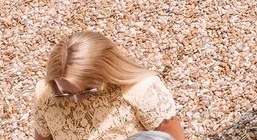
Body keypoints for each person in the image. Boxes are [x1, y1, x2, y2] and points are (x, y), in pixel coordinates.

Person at [31, 30, 188, 140]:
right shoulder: (46, 94)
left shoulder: (140, 90)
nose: (76, 100)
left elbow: (172, 138)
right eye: (66, 92)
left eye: (87, 91)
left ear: (106, 73)